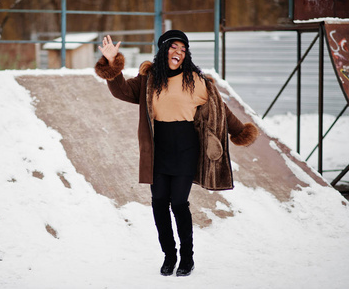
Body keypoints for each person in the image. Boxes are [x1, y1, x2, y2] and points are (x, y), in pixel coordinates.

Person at [95, 30, 258, 277]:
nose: (179, 53)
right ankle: (169, 256)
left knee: (179, 203)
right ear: (163, 50)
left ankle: (187, 258)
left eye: (183, 50)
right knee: (159, 203)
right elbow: (121, 91)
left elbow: (219, 108)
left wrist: (239, 131)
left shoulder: (196, 80)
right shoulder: (149, 80)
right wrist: (110, 63)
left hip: (185, 148)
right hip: (157, 148)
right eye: (174, 48)